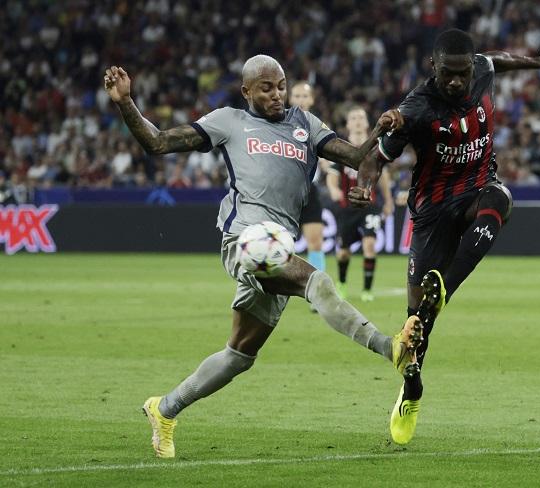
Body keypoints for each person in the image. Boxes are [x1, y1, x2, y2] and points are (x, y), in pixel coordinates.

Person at [103, 55, 424, 458]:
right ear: (247, 91)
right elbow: (158, 142)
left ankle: (163, 409)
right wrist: (125, 102)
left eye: (281, 86)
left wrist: (379, 130)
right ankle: (390, 348)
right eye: (266, 88)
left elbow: (358, 157)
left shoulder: (305, 125)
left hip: (279, 245)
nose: (277, 95)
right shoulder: (228, 121)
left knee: (239, 355)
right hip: (244, 240)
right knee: (317, 282)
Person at [350, 29, 540, 444]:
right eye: (447, 74)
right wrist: (365, 185)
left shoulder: (482, 69)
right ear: (432, 67)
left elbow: (500, 58)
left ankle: (445, 286)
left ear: (471, 67)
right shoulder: (416, 107)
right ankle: (412, 389)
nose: (456, 82)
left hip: (476, 191)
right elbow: (374, 158)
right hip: (432, 213)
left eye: (462, 73)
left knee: (500, 198)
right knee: (417, 324)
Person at [327, 107, 394, 302]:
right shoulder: (340, 147)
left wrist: (388, 200)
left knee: (369, 245)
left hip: (369, 205)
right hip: (347, 207)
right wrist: (333, 189)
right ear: (348, 124)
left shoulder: (376, 147)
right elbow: (332, 175)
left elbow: (382, 176)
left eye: (361, 118)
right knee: (343, 253)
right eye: (353, 118)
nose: (357, 121)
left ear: (366, 124)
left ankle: (367, 290)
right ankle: (342, 283)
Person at [289, 82, 328, 285]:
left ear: (312, 100)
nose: (300, 100)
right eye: (296, 96)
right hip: (286, 191)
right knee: (280, 243)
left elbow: (329, 154)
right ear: (290, 99)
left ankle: (318, 288)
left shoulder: (318, 127)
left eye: (304, 96)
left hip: (310, 190)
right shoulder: (281, 124)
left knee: (315, 242)